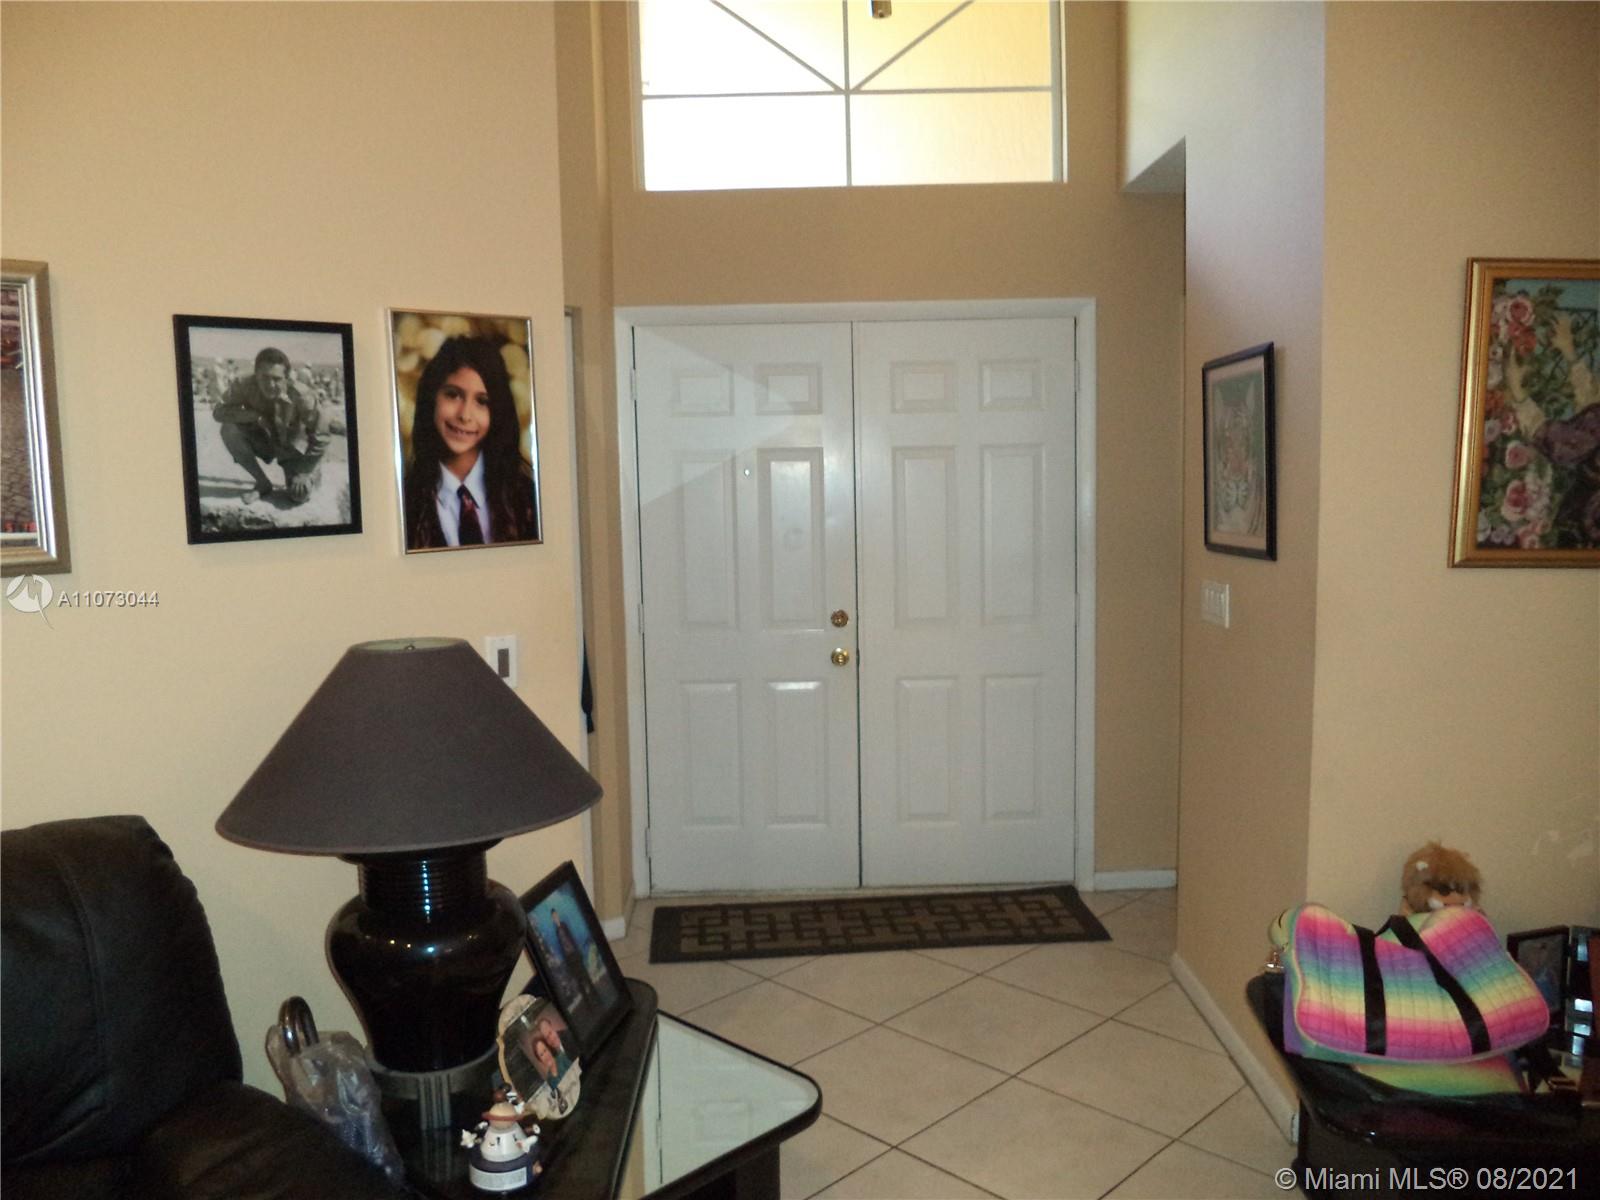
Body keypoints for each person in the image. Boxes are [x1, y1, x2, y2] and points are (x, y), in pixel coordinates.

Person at [402, 336, 538, 549]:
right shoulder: (405, 501)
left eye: (482, 401)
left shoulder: (527, 499)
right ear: (432, 397)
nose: (465, 415)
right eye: (453, 395)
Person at [213, 347, 327, 504]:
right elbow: (219, 412)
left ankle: (313, 473)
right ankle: (262, 483)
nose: (270, 384)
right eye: (264, 377)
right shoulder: (244, 384)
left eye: (277, 379)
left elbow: (322, 436)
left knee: (299, 494)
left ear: (286, 377)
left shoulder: (302, 395)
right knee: (229, 429)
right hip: (265, 440)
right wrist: (253, 416)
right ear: (256, 374)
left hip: (293, 449)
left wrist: (305, 471)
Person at [549, 908, 601, 1012]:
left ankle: (596, 997)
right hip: (570, 959)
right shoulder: (556, 932)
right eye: (553, 917)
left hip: (575, 954)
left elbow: (571, 938)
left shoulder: (564, 925)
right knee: (579, 981)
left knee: (586, 977)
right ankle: (589, 1005)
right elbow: (562, 947)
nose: (555, 918)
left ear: (558, 915)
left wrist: (578, 952)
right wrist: (567, 961)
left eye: (556, 915)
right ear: (552, 919)